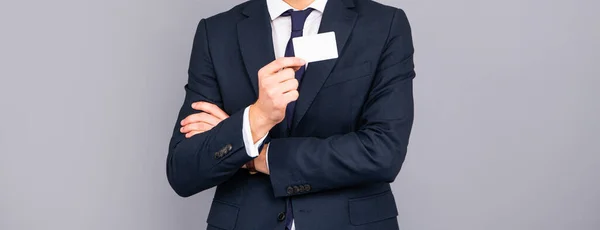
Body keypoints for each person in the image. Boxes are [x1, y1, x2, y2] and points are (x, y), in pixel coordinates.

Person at [166, 0, 415, 229]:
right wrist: (256, 119)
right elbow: (183, 172)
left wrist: (258, 156)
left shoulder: (384, 24)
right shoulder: (217, 32)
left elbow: (383, 152)